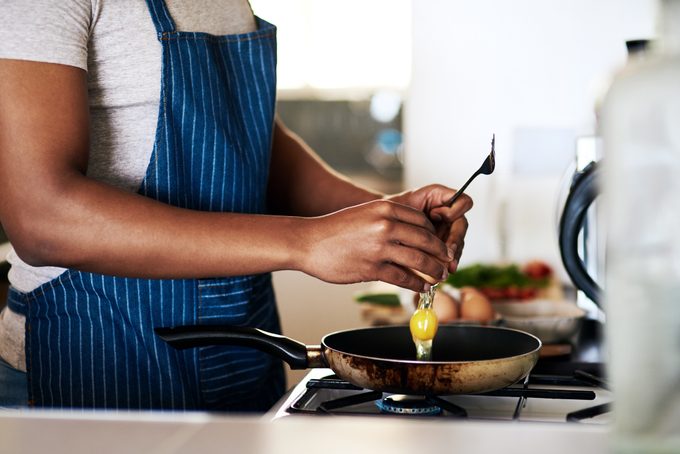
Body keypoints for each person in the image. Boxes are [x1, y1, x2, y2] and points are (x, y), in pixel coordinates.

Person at [0, 0, 472, 412]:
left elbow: (257, 151)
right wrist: (305, 243)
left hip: (242, 358)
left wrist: (393, 219)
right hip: (91, 367)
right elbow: (41, 217)